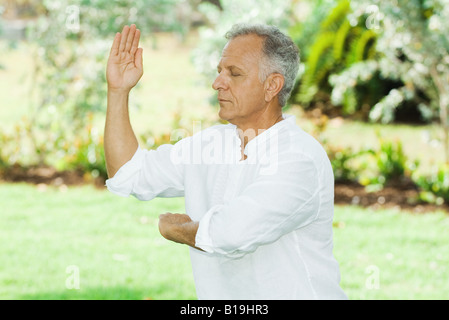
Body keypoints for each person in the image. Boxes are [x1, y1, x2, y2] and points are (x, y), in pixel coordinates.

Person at [104, 23, 347, 300]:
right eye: (220, 71)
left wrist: (175, 229)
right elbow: (127, 173)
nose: (218, 82)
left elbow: (233, 234)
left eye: (234, 73)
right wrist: (118, 91)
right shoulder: (211, 143)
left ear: (272, 86)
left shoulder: (298, 158)